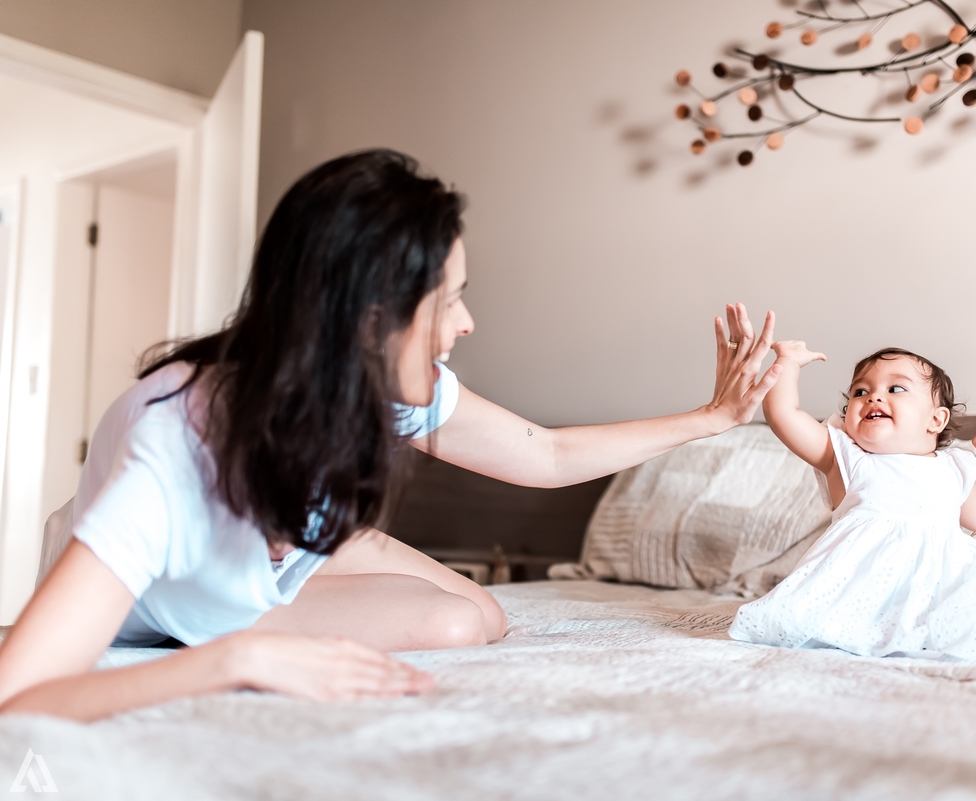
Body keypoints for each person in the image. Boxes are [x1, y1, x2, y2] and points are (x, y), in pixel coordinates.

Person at [0, 150, 782, 720]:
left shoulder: (379, 383)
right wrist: (234, 659)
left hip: (274, 545)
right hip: (168, 588)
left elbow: (543, 454)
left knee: (484, 614)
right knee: (448, 622)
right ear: (369, 317)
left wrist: (710, 418)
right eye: (450, 301)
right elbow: (18, 695)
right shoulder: (172, 450)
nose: (467, 323)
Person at [728, 343, 976, 658]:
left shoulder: (952, 468)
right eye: (860, 392)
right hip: (860, 591)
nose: (874, 396)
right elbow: (783, 414)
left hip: (939, 588)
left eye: (896, 389)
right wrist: (788, 363)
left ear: (935, 420)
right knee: (792, 621)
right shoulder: (845, 458)